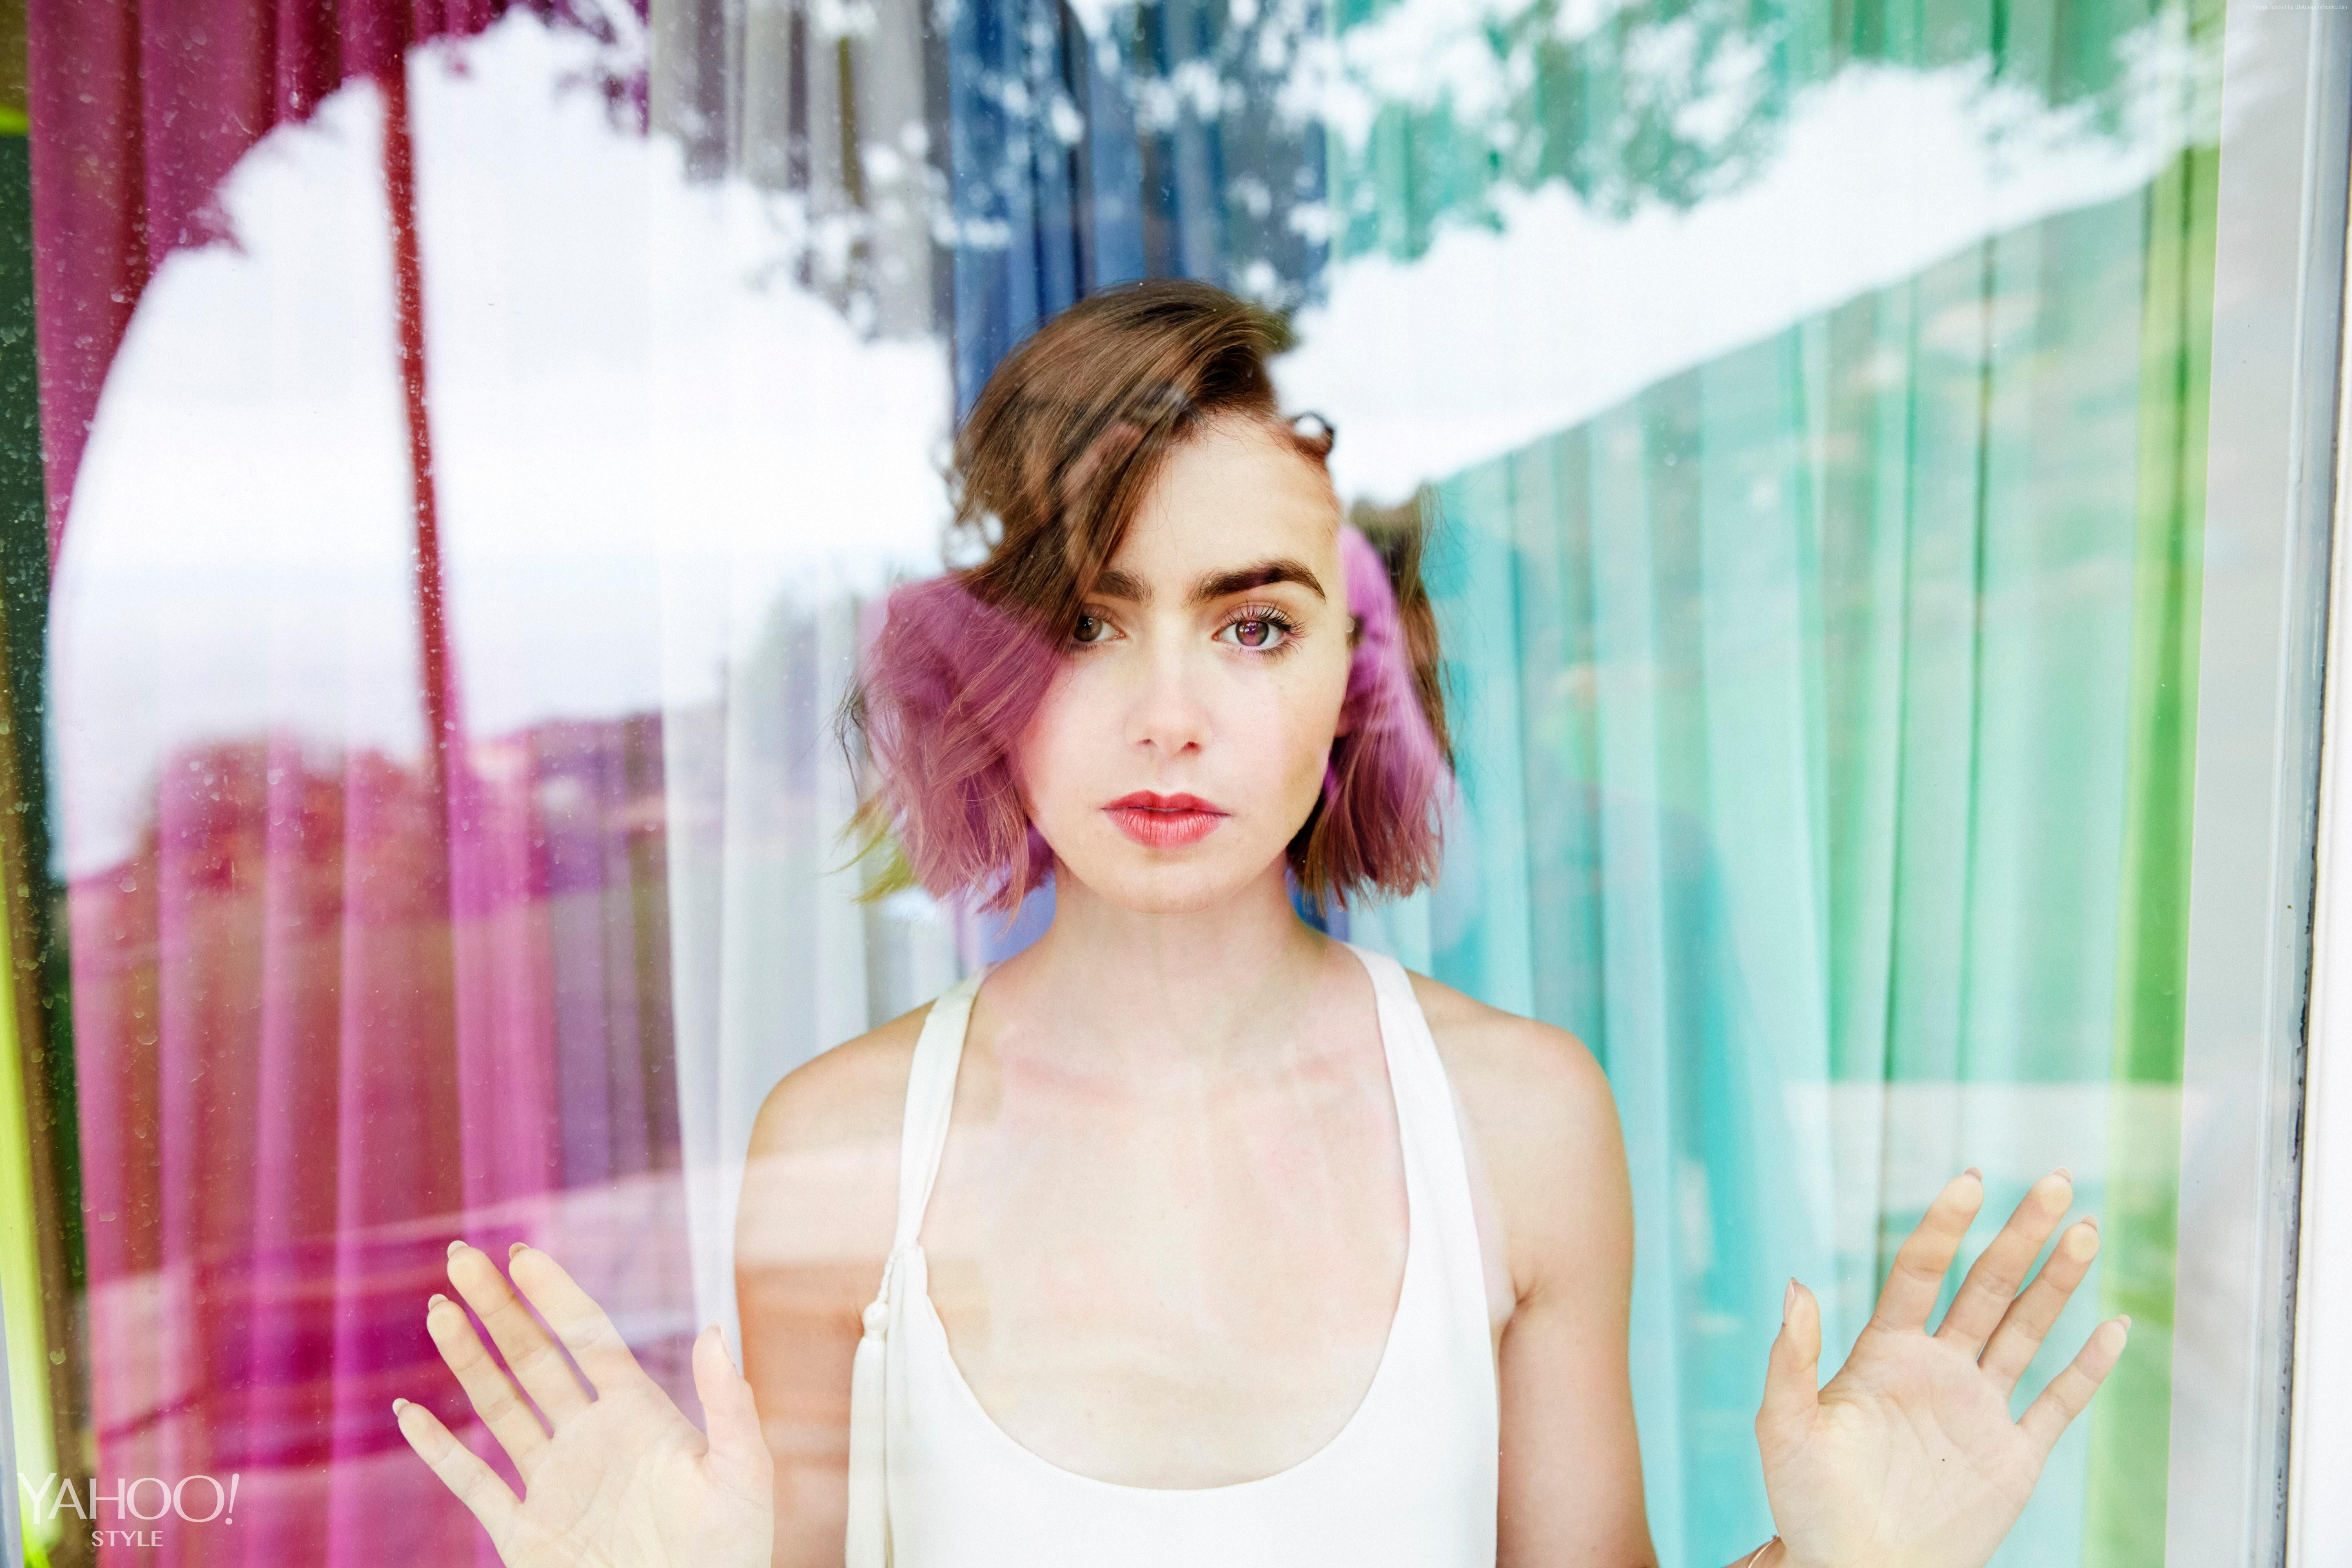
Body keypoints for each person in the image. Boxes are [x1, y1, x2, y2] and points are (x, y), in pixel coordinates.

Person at [392, 280, 2128, 1568]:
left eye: (1252, 626)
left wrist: (1847, 1565)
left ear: (1361, 686)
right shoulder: (839, 1149)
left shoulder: (1520, 1126)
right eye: (1086, 620)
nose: (1167, 716)